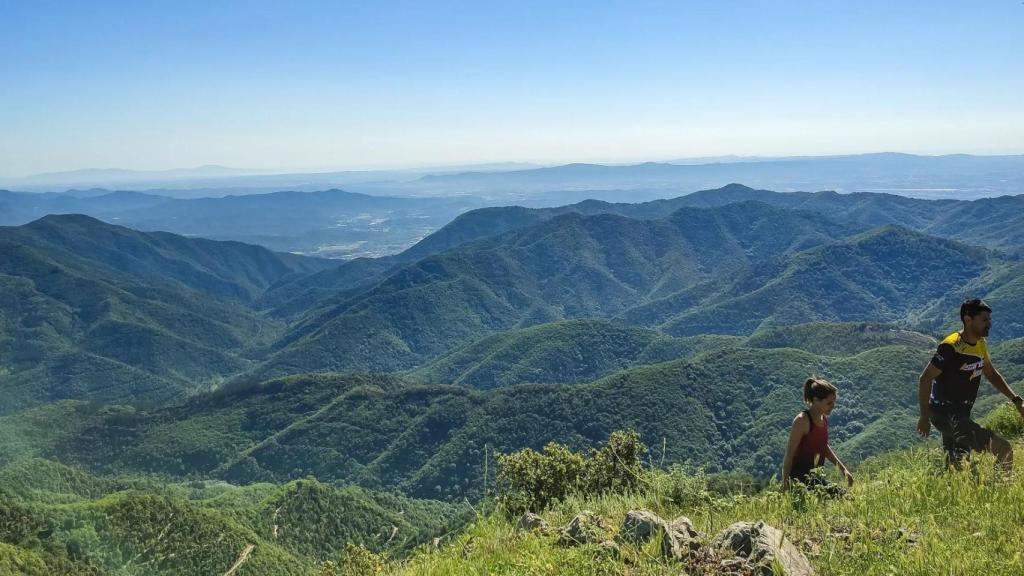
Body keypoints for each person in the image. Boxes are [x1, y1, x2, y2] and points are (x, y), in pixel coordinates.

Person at [917, 299, 1024, 469]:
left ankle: (957, 489)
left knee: (957, 465)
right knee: (1004, 449)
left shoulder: (980, 344)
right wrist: (924, 417)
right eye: (984, 320)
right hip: (945, 413)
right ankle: (1000, 489)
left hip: (961, 413)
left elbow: (990, 373)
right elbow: (925, 378)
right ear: (968, 320)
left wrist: (1017, 400)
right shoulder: (951, 346)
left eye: (989, 319)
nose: (989, 324)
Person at [781, 376, 855, 494]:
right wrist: (785, 485)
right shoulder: (802, 421)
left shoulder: (823, 419)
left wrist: (844, 470)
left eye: (834, 402)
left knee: (848, 498)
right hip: (799, 483)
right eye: (829, 403)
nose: (833, 406)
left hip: (816, 480)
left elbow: (824, 448)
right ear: (815, 400)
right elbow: (789, 454)